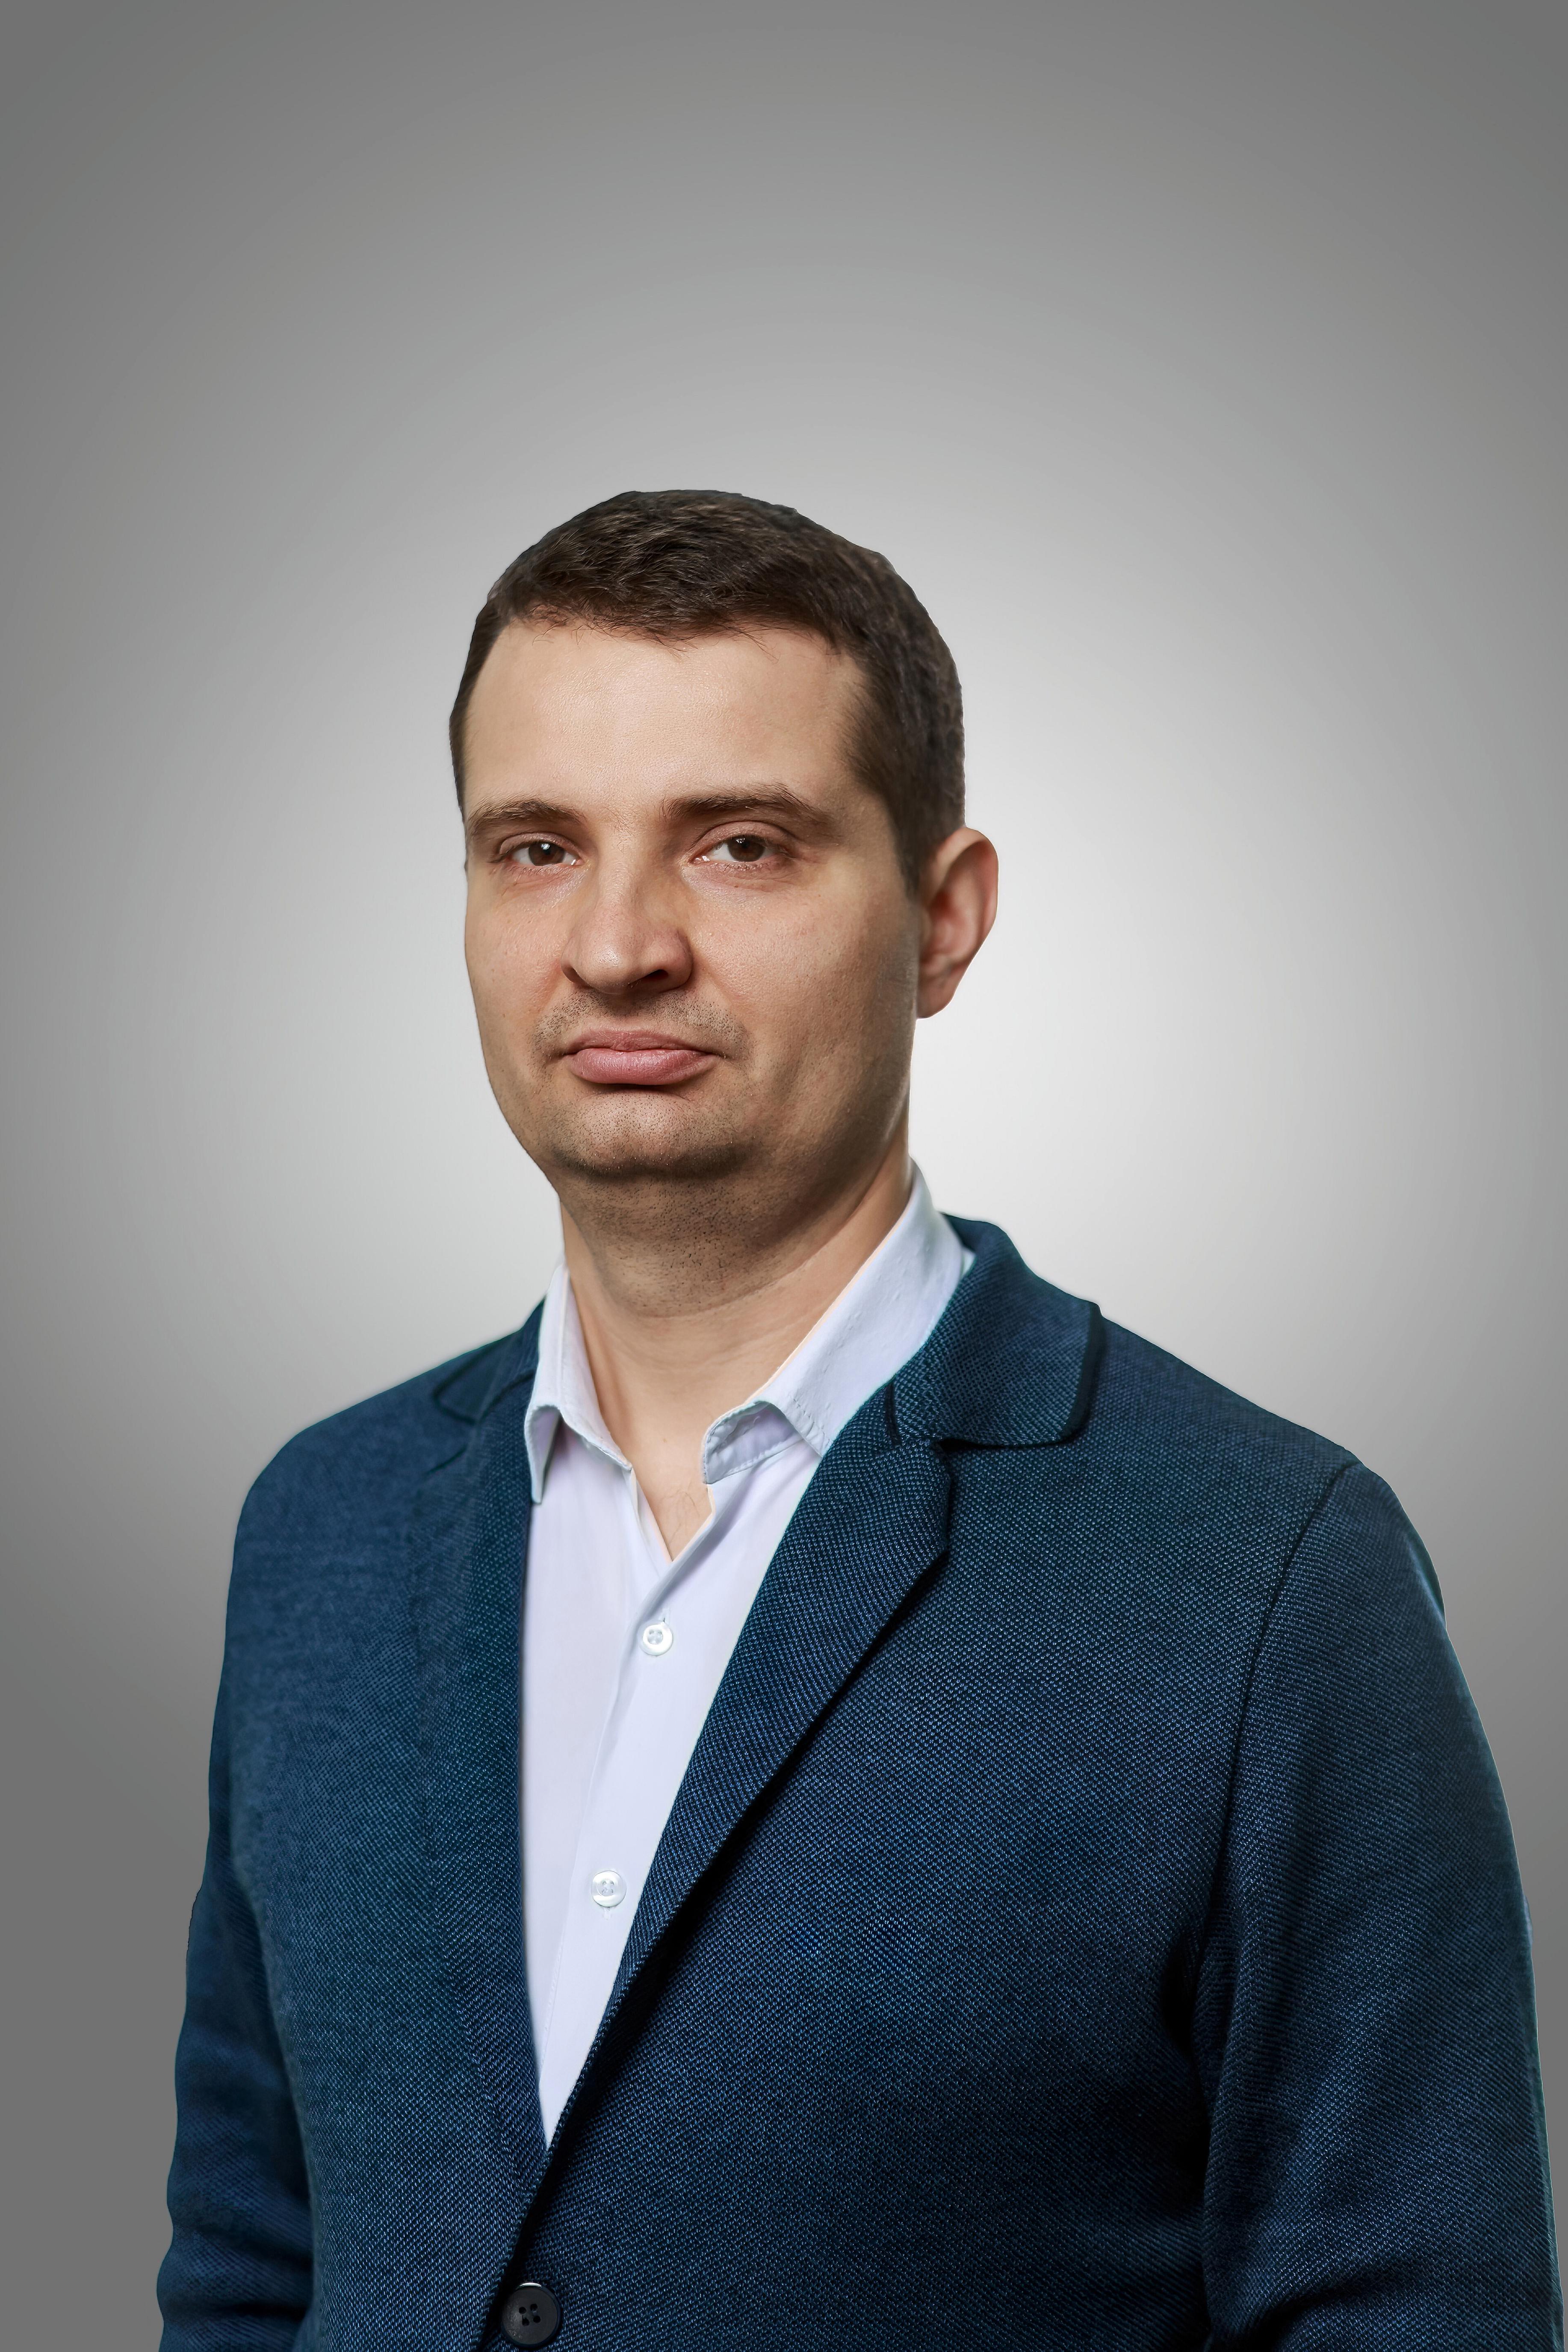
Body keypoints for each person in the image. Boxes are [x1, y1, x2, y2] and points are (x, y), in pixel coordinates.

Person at [158, 490, 1560, 2352]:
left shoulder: (1266, 1581)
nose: (617, 944)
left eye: (738, 844)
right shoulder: (320, 1526)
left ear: (942, 919)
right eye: (536, 847)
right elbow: (249, 2263)